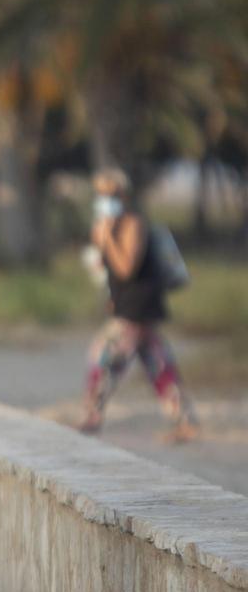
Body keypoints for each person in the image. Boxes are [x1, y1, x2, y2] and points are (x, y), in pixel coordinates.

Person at [80, 168, 198, 443]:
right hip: (128, 305)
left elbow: (126, 268)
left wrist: (107, 237)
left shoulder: (133, 224)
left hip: (138, 306)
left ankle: (91, 417)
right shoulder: (106, 225)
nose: (104, 199)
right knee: (157, 362)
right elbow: (108, 273)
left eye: (109, 193)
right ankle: (185, 420)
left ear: (122, 195)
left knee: (103, 356)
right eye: (100, 193)